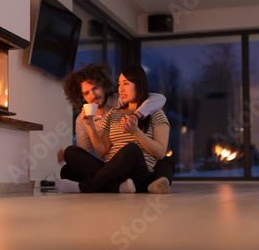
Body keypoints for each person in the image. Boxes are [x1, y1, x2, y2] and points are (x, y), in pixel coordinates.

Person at [56, 64, 174, 194]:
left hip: (138, 173)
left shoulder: (153, 112)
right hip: (113, 171)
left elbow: (160, 153)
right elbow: (101, 151)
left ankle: (86, 186)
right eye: (119, 84)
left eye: (126, 84)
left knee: (132, 149)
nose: (121, 89)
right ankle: (117, 187)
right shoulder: (114, 113)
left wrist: (136, 130)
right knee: (70, 155)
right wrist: (89, 124)